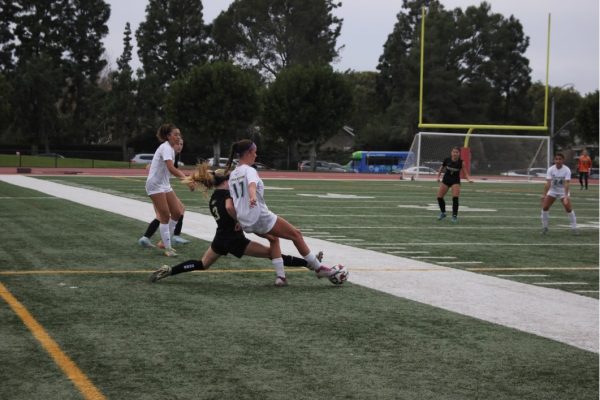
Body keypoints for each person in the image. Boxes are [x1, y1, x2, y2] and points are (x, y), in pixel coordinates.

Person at [149, 164, 323, 286]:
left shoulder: (213, 198)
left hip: (220, 238)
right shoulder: (227, 195)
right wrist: (241, 220)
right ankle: (310, 263)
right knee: (273, 252)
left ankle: (171, 270)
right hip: (234, 240)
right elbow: (230, 208)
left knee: (202, 264)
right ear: (226, 180)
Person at [225, 139, 337, 279]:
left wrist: (238, 219)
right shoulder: (249, 170)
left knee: (273, 239)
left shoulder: (232, 175)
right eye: (255, 152)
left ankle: (280, 277)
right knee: (296, 235)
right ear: (248, 153)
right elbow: (251, 186)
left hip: (245, 222)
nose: (256, 155)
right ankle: (318, 268)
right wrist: (253, 196)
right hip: (259, 216)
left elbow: (231, 204)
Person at [144, 123, 190, 257]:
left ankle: (163, 242)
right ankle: (167, 248)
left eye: (179, 134)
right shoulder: (165, 148)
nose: (178, 137)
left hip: (164, 184)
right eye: (175, 134)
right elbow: (171, 168)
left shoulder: (170, 148)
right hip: (154, 185)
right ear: (168, 136)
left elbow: (170, 170)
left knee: (177, 212)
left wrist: (186, 179)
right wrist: (186, 179)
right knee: (164, 216)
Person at [541, 153, 578, 235]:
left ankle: (574, 228)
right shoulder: (550, 169)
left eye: (560, 159)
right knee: (545, 207)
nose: (558, 161)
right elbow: (548, 183)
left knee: (568, 209)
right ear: (554, 160)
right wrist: (544, 195)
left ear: (563, 160)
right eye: (556, 159)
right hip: (553, 190)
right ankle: (545, 227)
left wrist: (565, 196)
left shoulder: (567, 170)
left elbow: (567, 183)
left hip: (562, 191)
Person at [436, 146, 473, 223]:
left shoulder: (461, 162)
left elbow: (465, 173)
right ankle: (443, 213)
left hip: (455, 181)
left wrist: (469, 179)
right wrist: (438, 177)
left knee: (455, 198)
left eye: (456, 152)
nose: (455, 154)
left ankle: (454, 216)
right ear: (451, 152)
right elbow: (441, 168)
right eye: (453, 152)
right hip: (446, 180)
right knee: (439, 197)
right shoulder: (447, 160)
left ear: (459, 154)